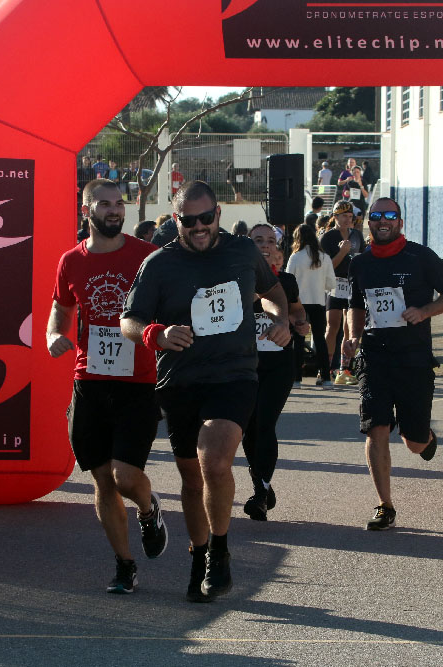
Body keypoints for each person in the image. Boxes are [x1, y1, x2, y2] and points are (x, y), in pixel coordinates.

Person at [121, 181, 290, 602]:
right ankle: (199, 558)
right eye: (188, 220)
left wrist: (281, 318)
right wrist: (157, 334)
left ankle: (219, 552)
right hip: (180, 381)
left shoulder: (242, 251)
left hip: (234, 374)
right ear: (176, 219)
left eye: (205, 218)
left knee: (214, 461)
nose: (198, 227)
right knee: (192, 480)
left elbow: (272, 292)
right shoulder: (159, 264)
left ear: (218, 214)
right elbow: (130, 320)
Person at [47, 179, 168, 594]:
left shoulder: (146, 255)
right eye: (104, 204)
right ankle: (124, 565)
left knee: (126, 477)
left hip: (138, 382)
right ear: (87, 211)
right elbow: (61, 308)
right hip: (90, 380)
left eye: (118, 203)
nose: (114, 210)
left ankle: (148, 510)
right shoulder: (71, 261)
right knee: (102, 479)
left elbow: (168, 302)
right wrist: (53, 335)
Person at [342, 197, 443, 530]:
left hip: (413, 359)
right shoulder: (360, 263)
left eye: (390, 215)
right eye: (377, 215)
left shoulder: (419, 257)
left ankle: (425, 436)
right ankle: (385, 505)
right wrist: (352, 337)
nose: (383, 221)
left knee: (414, 443)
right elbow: (356, 305)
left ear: (399, 221)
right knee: (376, 428)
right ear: (369, 222)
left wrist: (425, 311)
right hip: (374, 356)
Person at [241, 223, 308, 521]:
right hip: (244, 365)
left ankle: (260, 493)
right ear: (248, 245)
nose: (265, 245)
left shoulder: (287, 281)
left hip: (278, 364)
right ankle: (261, 486)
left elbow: (297, 309)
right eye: (258, 240)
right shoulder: (235, 279)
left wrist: (300, 322)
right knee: (249, 427)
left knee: (266, 423)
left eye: (270, 241)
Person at [320, 200, 365, 385]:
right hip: (335, 283)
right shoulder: (327, 237)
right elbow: (327, 267)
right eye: (343, 216)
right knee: (332, 326)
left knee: (349, 327)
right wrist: (343, 252)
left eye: (350, 216)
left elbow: (361, 259)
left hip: (352, 283)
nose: (347, 219)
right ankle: (325, 368)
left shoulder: (357, 235)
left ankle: (344, 369)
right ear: (335, 217)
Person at [285, 222, 336, 385]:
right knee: (320, 339)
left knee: (298, 339)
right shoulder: (324, 257)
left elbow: (288, 280)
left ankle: (296, 378)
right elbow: (331, 284)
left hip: (299, 303)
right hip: (318, 302)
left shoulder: (295, 257)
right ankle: (326, 377)